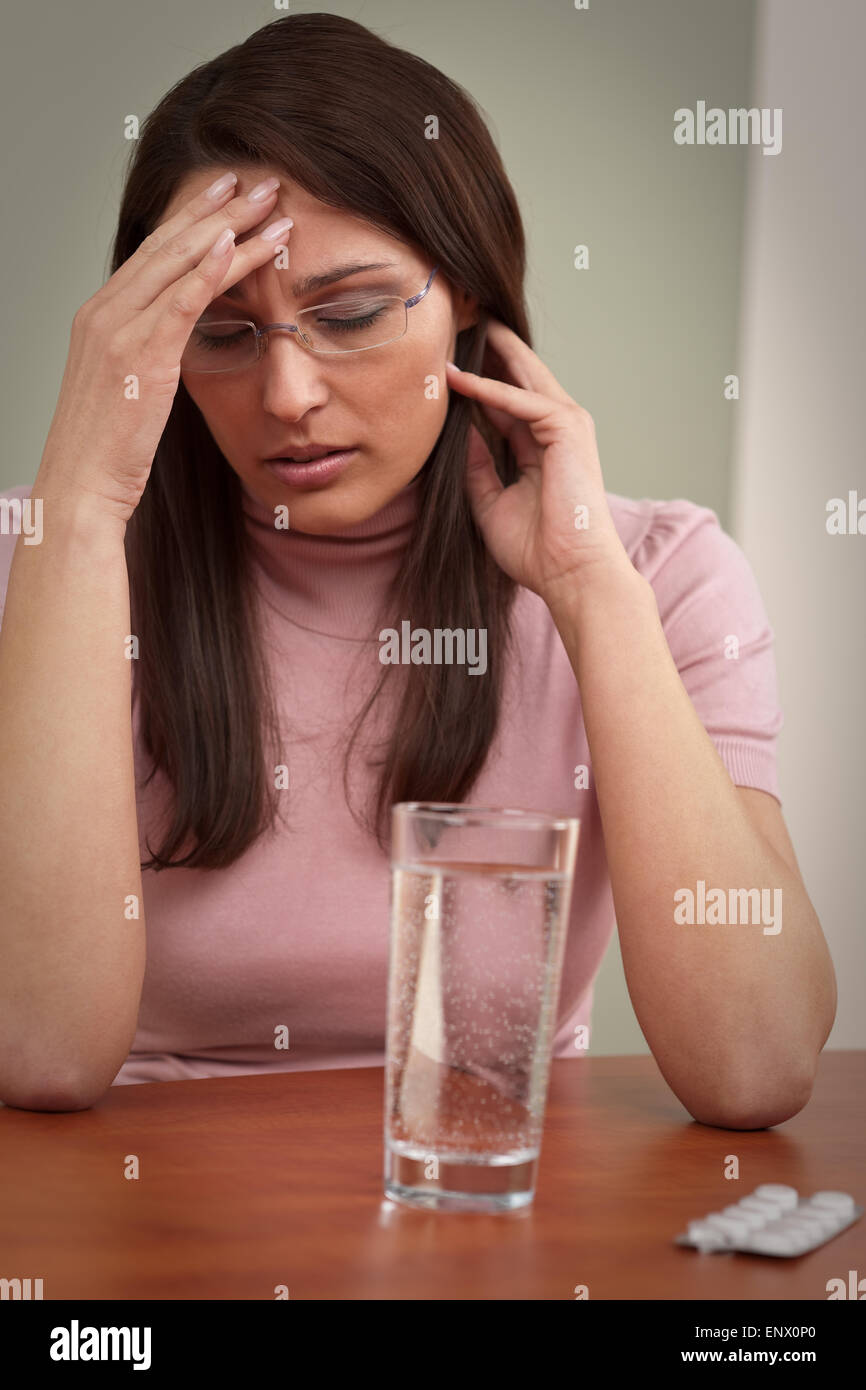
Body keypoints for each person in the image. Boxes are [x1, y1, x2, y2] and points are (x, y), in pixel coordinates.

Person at [0, 13, 835, 1122]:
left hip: (496, 1215)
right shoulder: (49, 558)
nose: (288, 395)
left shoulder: (657, 572)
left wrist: (589, 593)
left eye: (347, 314)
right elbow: (40, 1051)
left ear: (469, 301)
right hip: (146, 1235)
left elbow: (756, 1064)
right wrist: (82, 502)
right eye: (220, 329)